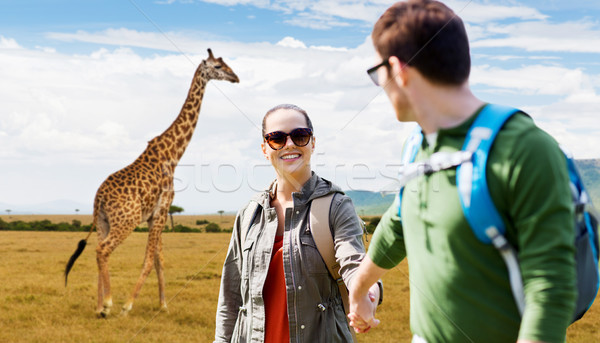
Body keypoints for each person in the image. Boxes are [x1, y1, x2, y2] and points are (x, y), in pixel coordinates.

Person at [348, 1, 576, 342]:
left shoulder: (525, 148)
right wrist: (359, 289)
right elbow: (398, 225)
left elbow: (550, 288)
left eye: (379, 73)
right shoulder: (417, 147)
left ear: (398, 71)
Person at [214, 104, 381, 343]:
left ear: (312, 143)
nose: (290, 144)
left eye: (300, 136)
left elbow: (355, 265)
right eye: (277, 138)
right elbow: (231, 298)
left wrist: (367, 294)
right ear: (265, 148)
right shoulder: (250, 213)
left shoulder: (336, 206)